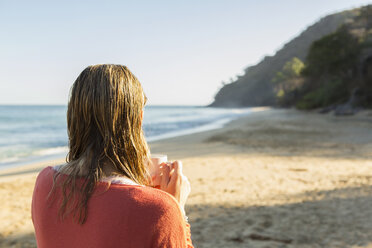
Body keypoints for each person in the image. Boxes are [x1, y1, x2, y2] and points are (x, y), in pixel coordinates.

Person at [31, 64, 194, 248]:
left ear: (74, 117)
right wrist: (177, 210)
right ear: (138, 119)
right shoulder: (160, 209)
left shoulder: (45, 182)